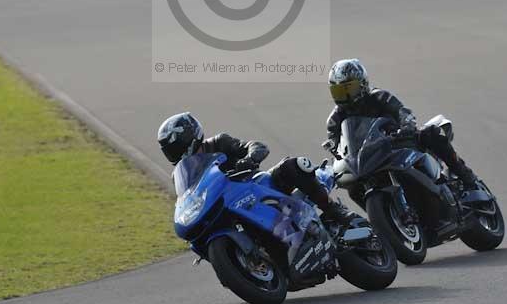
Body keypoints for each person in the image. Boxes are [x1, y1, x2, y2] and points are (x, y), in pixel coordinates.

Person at [157, 112, 358, 227]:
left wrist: (249, 159)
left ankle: (333, 210)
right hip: (225, 206)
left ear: (192, 138)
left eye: (180, 147)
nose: (179, 154)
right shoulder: (180, 175)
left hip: (256, 186)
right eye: (172, 150)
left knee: (294, 165)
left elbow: (256, 146)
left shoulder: (219, 142)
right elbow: (186, 198)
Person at [325, 59, 477, 189]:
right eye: (338, 91)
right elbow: (335, 143)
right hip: (368, 157)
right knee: (351, 184)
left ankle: (465, 175)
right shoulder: (335, 118)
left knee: (430, 133)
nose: (344, 96)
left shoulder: (379, 96)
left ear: (363, 84)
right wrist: (335, 154)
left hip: (398, 142)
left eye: (348, 89)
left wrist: (407, 125)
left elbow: (402, 111)